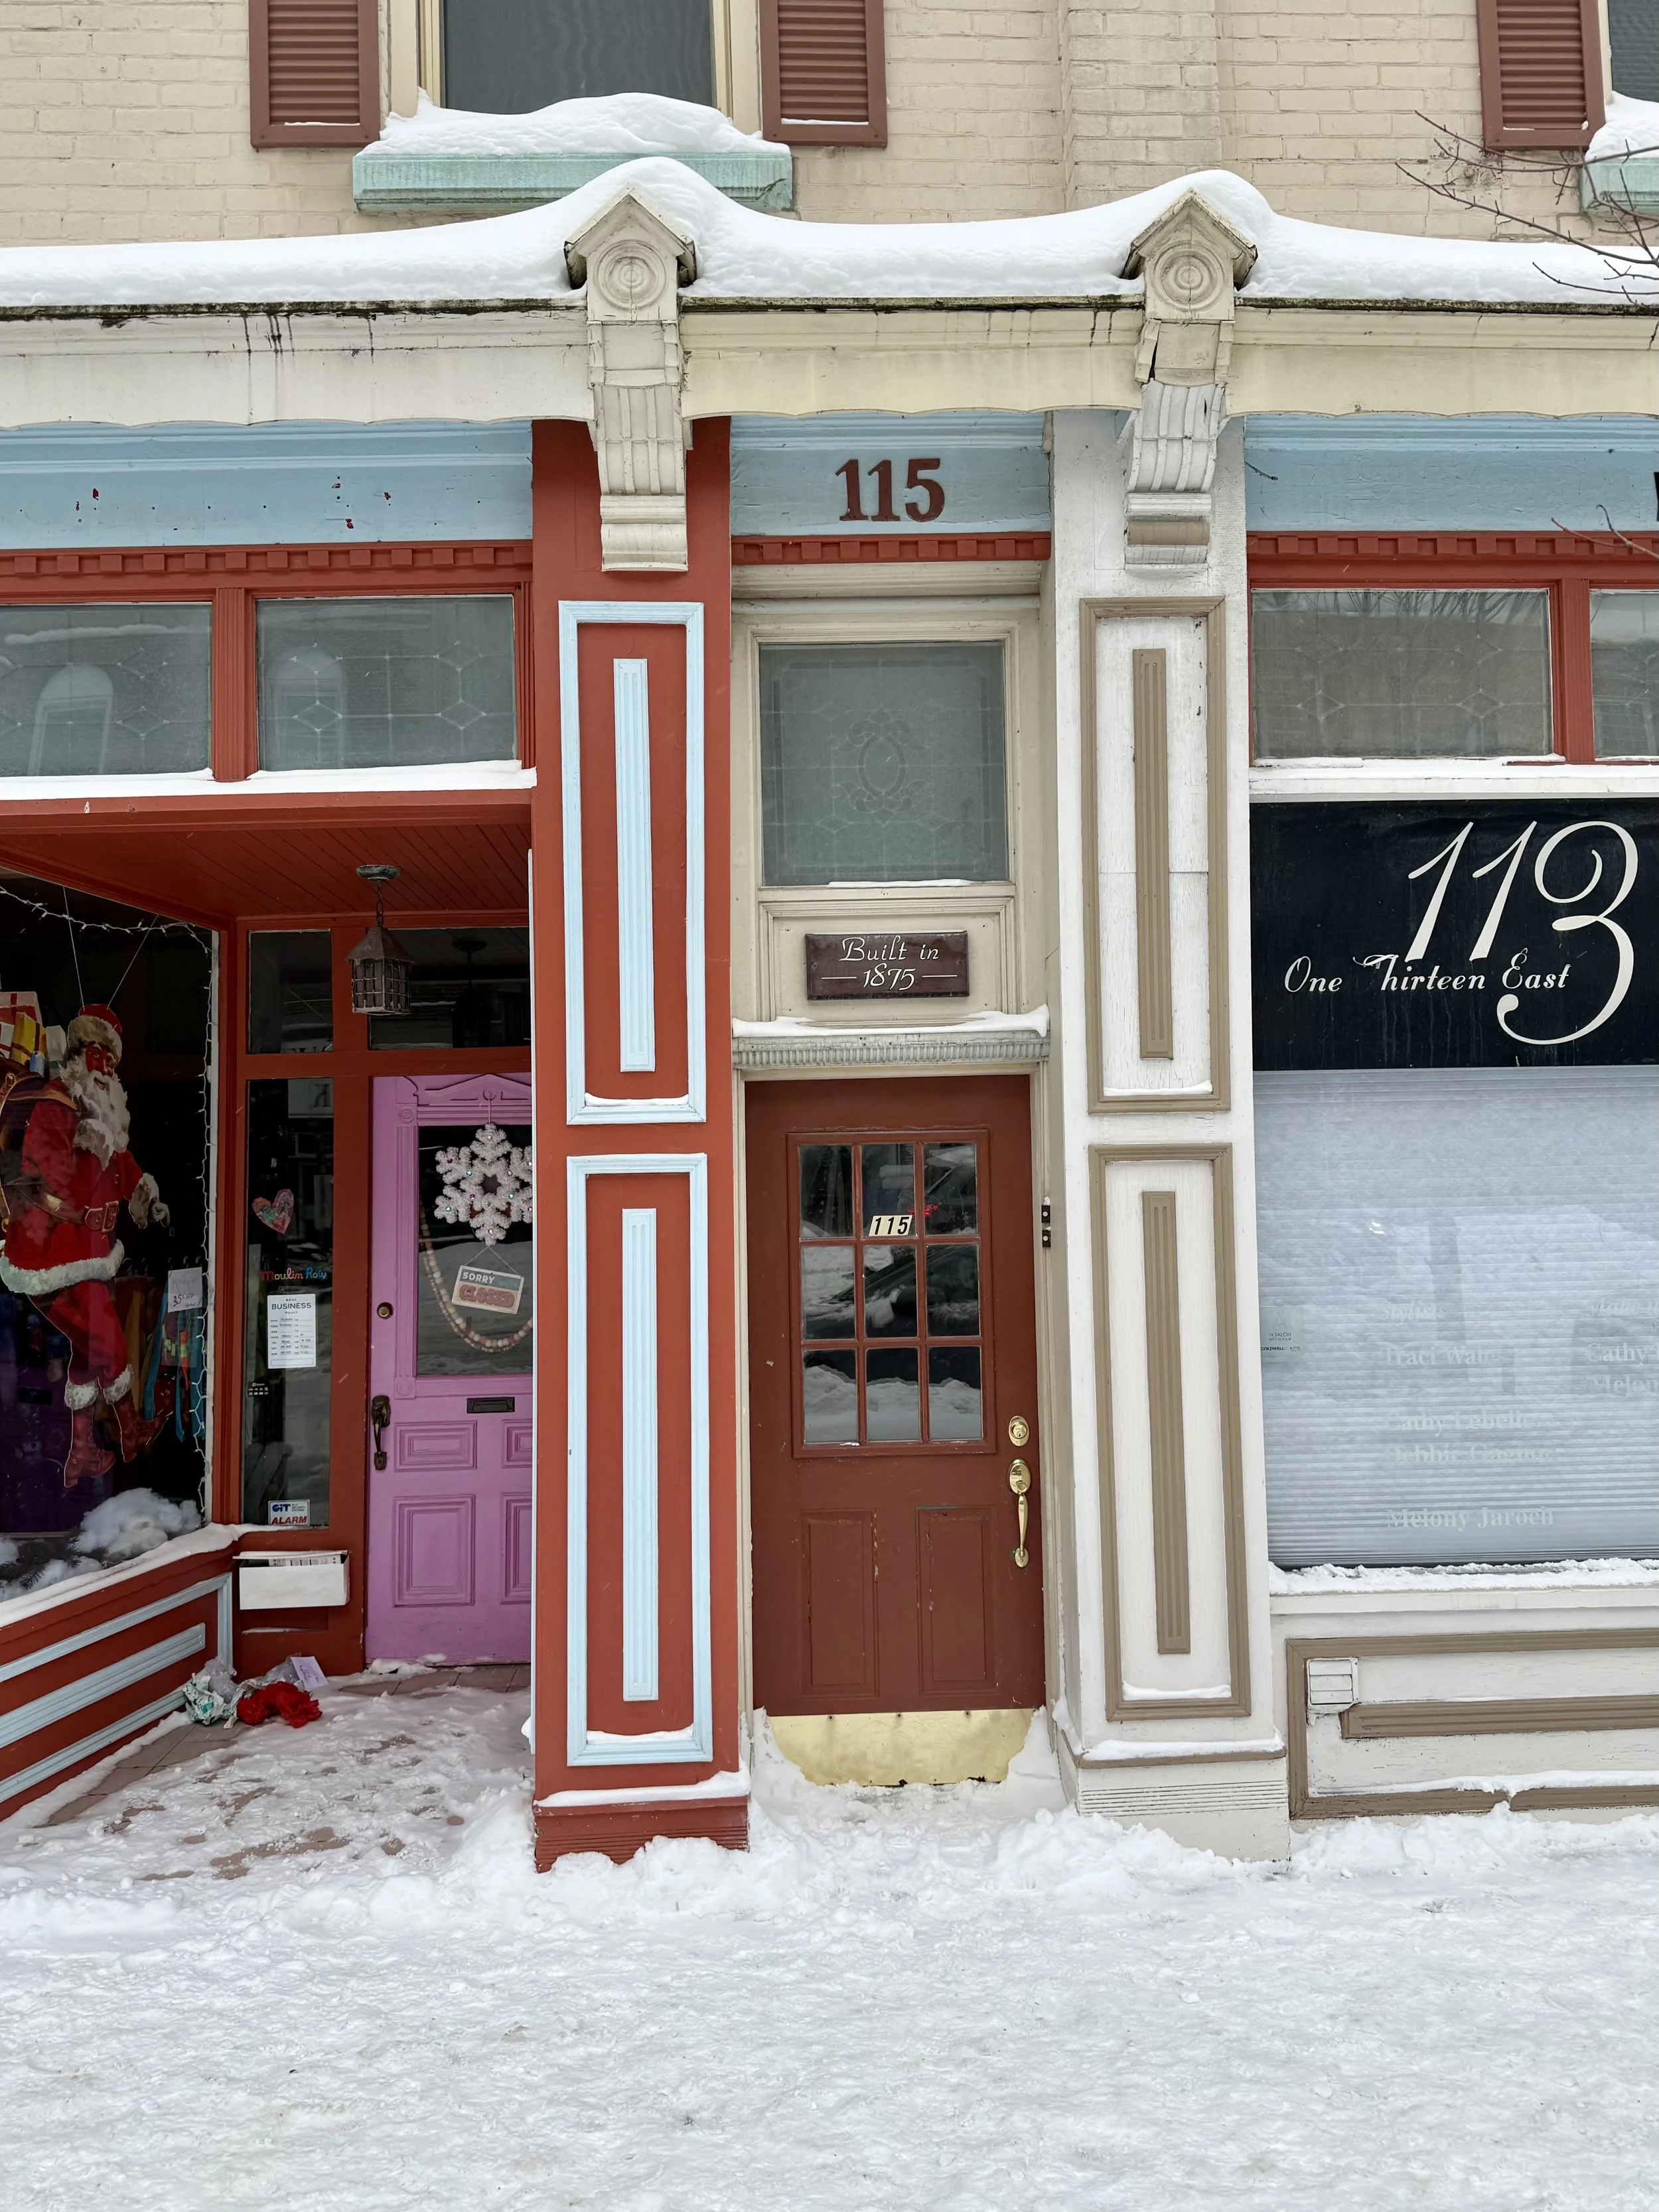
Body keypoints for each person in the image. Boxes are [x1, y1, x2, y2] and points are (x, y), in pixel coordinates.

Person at [0, 1004, 169, 1484]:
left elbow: (123, 1166)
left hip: (86, 1255)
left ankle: (82, 1452)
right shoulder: (60, 1104)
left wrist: (144, 1194)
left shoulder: (103, 1121)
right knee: (110, 1345)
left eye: (110, 1062)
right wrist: (82, 1148)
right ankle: (131, 1433)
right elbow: (43, 1168)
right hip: (54, 1257)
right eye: (96, 1057)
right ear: (78, 1058)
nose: (104, 1070)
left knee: (89, 1351)